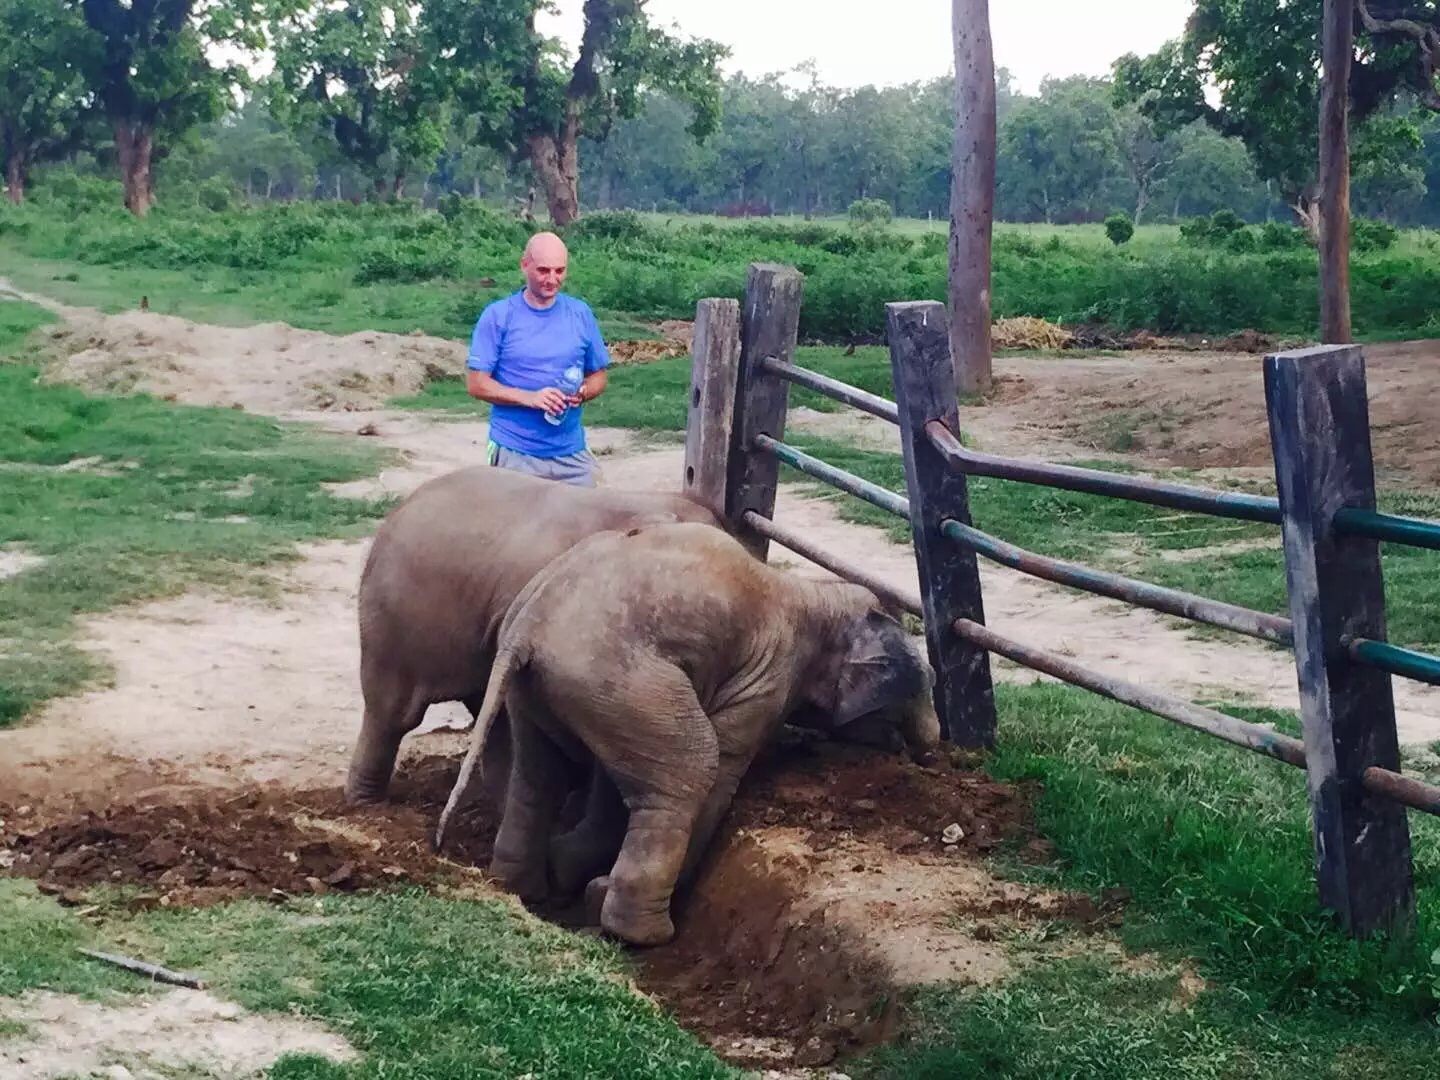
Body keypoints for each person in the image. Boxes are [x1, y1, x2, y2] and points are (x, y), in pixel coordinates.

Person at [465, 231, 610, 487]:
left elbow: (598, 375)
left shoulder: (580, 313)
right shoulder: (498, 316)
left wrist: (584, 392)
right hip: (516, 452)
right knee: (514, 527)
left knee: (593, 523)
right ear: (524, 265)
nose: (552, 280)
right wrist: (530, 398)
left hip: (571, 452)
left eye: (560, 271)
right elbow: (476, 384)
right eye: (543, 271)